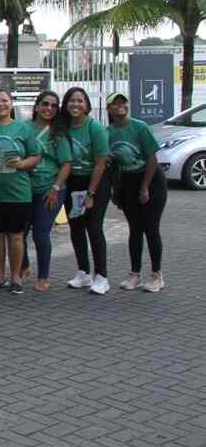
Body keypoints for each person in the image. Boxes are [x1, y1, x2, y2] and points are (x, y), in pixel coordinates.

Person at [0, 89, 41, 294]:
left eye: (4, 101)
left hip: (18, 192)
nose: (0, 104)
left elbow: (36, 156)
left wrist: (22, 164)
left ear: (11, 104)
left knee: (16, 236)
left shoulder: (23, 129)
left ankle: (16, 277)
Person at [107, 93, 167, 292]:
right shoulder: (108, 132)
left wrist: (145, 187)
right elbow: (113, 166)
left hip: (151, 180)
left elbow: (152, 158)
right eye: (115, 104)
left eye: (122, 103)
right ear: (109, 109)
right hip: (128, 181)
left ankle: (157, 275)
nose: (120, 106)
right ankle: (134, 274)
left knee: (151, 227)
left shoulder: (139, 127)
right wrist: (116, 191)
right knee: (134, 228)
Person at [58, 87, 112, 295]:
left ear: (87, 105)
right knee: (76, 227)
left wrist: (90, 194)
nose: (75, 105)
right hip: (73, 183)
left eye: (80, 101)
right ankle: (84, 273)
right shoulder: (63, 127)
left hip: (96, 183)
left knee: (94, 227)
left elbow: (100, 163)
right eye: (72, 101)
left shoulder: (95, 127)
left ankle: (102, 276)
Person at [24, 90, 72, 293]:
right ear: (36, 106)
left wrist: (55, 188)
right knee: (20, 231)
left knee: (41, 233)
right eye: (45, 104)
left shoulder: (58, 134)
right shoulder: (24, 128)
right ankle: (22, 267)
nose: (49, 109)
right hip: (24, 189)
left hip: (49, 189)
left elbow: (66, 164)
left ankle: (43, 276)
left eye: (54, 106)